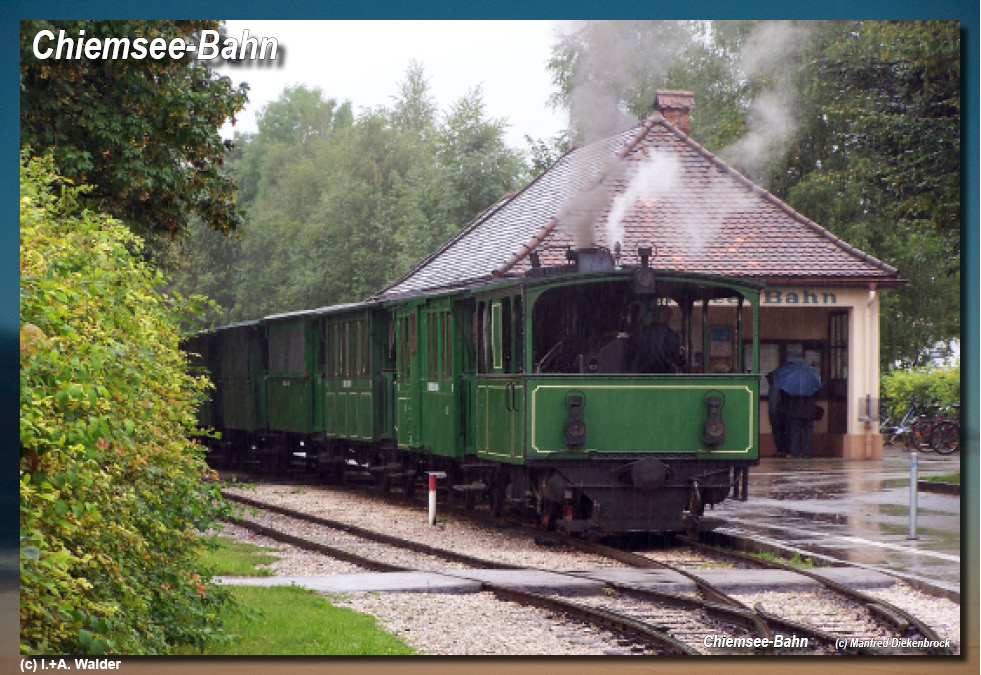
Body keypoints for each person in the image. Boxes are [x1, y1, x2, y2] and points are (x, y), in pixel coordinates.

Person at [630, 304, 682, 373]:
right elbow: (676, 359)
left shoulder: (641, 333)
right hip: (666, 376)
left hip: (643, 375)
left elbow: (633, 355)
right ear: (668, 318)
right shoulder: (673, 336)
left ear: (653, 317)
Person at [784, 391, 818, 458]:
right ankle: (806, 453)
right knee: (808, 433)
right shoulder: (811, 382)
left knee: (795, 433)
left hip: (795, 411)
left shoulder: (792, 383)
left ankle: (796, 454)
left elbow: (786, 397)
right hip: (809, 411)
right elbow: (817, 394)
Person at [766, 371, 789, 457]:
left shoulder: (774, 388)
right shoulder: (781, 387)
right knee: (781, 433)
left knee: (778, 433)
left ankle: (781, 450)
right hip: (781, 414)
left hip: (776, 415)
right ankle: (783, 450)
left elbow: (773, 404)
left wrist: (772, 416)